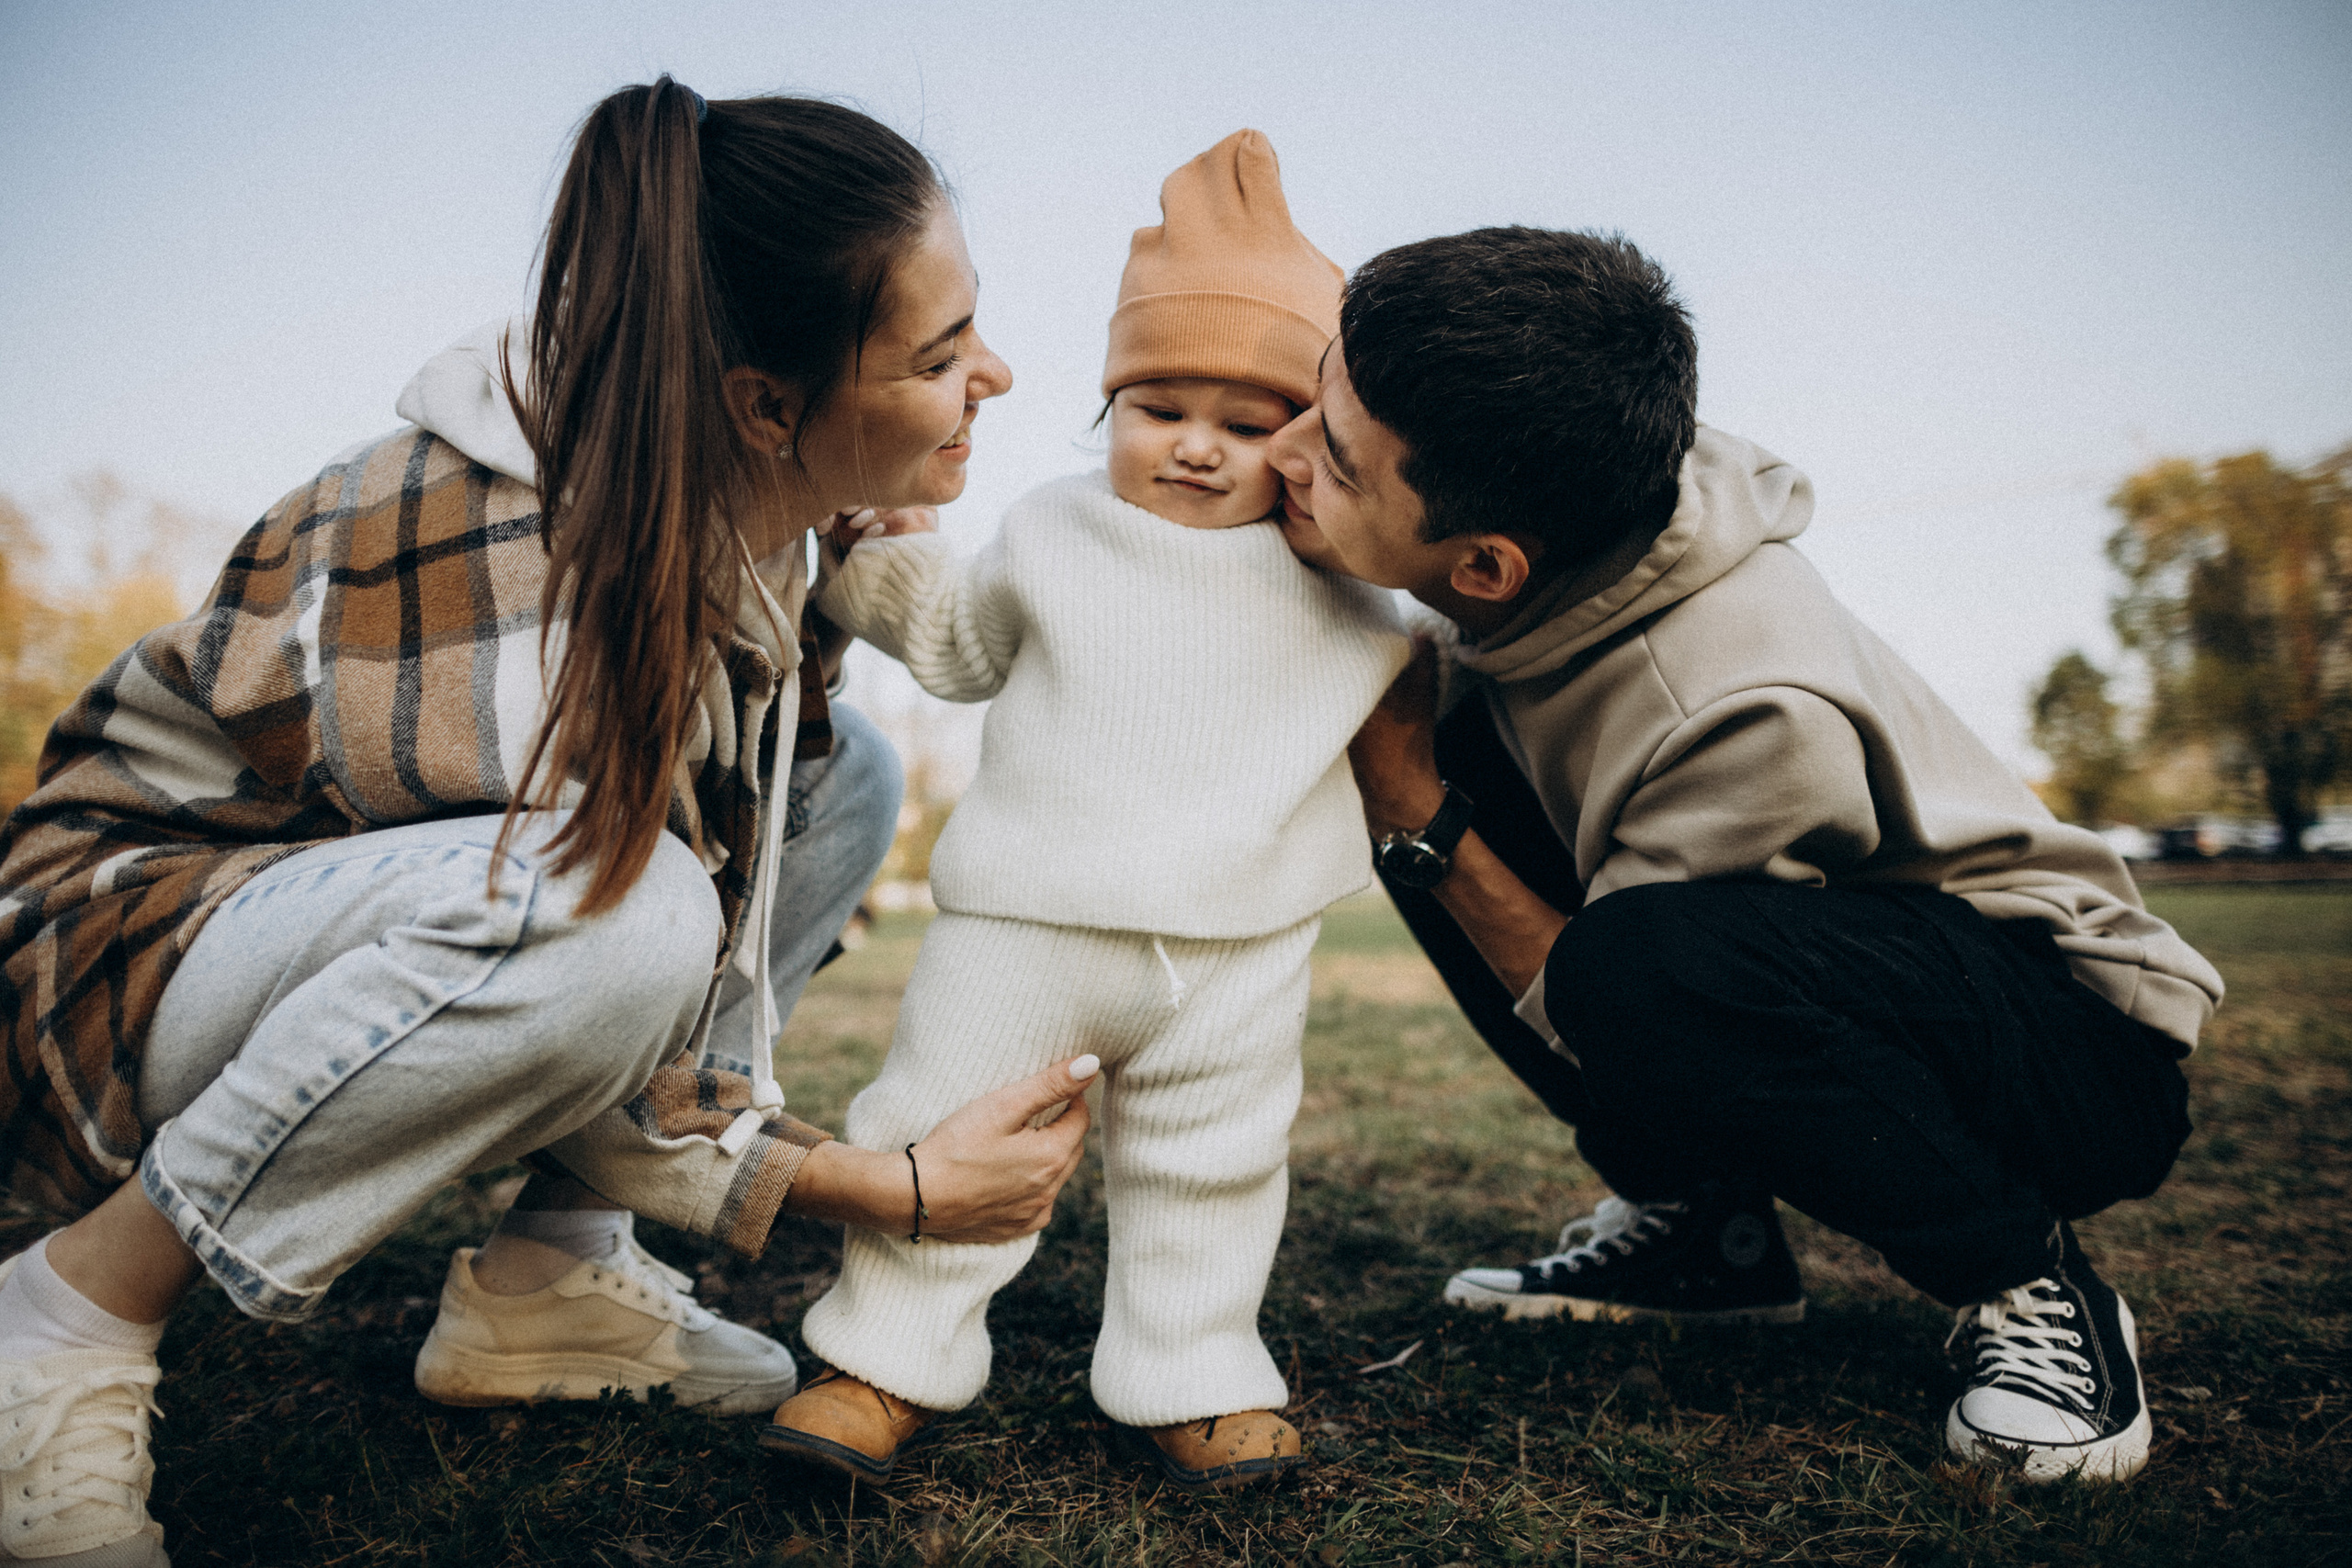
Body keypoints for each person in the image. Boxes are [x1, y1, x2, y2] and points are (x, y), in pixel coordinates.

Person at [0, 81, 1097, 1566]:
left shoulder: (726, 487)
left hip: (344, 917)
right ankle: (67, 1315)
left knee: (848, 788)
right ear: (763, 404)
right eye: (941, 355)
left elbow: (709, 844)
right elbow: (568, 948)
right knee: (617, 913)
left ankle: (549, 1276)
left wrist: (870, 503)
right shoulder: (518, 563)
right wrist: (878, 1189)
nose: (1001, 377)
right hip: (113, 959)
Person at [1262, 226, 2223, 1485]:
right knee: (1447, 787)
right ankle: (1703, 1234)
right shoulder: (1560, 501)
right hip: (1861, 967)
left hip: (2076, 1051)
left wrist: (1422, 816)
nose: (1282, 453)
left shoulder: (1741, 701)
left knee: (1573, 917)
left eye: (1331, 457)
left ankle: (2032, 1283)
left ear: (1487, 565)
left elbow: (1634, 1008)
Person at [760, 131, 1408, 1493]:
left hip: (1237, 949)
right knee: (936, 1121)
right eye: (1156, 407)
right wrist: (878, 560)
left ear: (1312, 441)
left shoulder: (1352, 589)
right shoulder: (1054, 530)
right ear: (1106, 405)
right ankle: (879, 1363)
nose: (1193, 448)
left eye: (1246, 425)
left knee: (1215, 1170)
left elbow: (1435, 674)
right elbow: (958, 644)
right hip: (1025, 927)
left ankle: (1197, 1371)